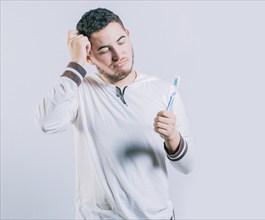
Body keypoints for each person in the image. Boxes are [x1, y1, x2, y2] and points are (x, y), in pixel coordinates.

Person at [36, 8, 194, 220]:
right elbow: (47, 122)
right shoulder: (79, 90)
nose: (118, 55)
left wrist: (172, 138)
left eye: (121, 41)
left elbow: (188, 166)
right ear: (89, 57)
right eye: (104, 50)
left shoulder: (164, 91)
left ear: (128, 35)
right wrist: (75, 63)